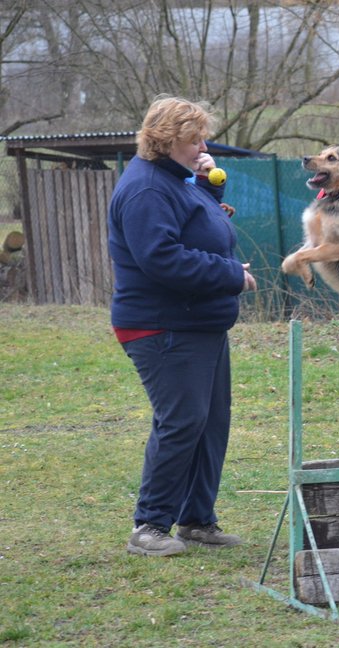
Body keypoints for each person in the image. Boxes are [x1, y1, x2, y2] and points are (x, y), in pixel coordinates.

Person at [108, 95, 257, 557]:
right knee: (181, 421)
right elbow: (162, 259)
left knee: (210, 423)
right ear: (166, 140)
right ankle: (149, 525)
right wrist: (233, 274)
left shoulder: (176, 181)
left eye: (201, 138)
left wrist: (208, 189)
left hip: (198, 323)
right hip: (162, 326)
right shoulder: (147, 189)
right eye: (193, 140)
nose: (202, 146)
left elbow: (193, 227)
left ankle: (196, 520)